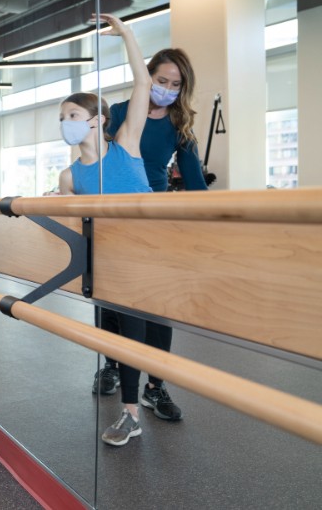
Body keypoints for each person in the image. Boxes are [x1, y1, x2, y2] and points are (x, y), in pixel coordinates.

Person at [93, 49, 205, 422]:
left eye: (176, 85)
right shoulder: (121, 112)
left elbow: (195, 181)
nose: (167, 90)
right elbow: (95, 159)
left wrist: (207, 220)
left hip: (154, 222)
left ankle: (155, 386)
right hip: (114, 218)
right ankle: (111, 364)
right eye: (161, 81)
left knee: (158, 308)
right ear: (147, 78)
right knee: (111, 302)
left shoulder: (180, 124)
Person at [57, 13, 152, 446]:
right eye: (63, 116)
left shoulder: (127, 144)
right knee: (116, 332)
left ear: (97, 120)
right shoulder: (69, 176)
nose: (66, 122)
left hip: (150, 252)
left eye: (73, 114)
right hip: (108, 263)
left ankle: (137, 408)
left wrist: (127, 35)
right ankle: (131, 410)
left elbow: (143, 86)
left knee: (142, 333)